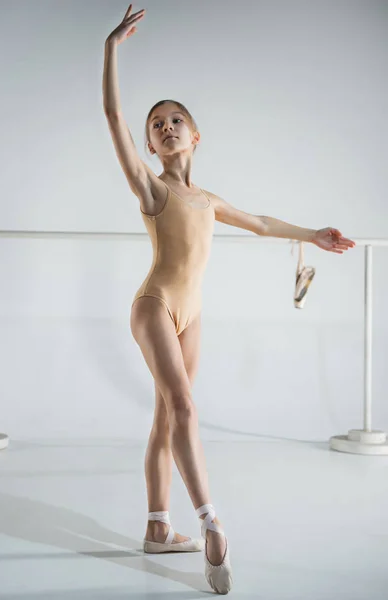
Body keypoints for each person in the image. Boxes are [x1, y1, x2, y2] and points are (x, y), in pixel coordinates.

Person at [102, 5, 356, 595]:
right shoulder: (153, 188)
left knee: (167, 417)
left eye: (175, 120)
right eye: (156, 124)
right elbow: (113, 115)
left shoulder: (207, 198)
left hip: (191, 317)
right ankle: (211, 524)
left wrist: (312, 234)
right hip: (154, 306)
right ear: (151, 144)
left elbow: (263, 223)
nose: (165, 127)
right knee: (186, 409)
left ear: (195, 135)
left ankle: (156, 527)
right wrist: (112, 47)